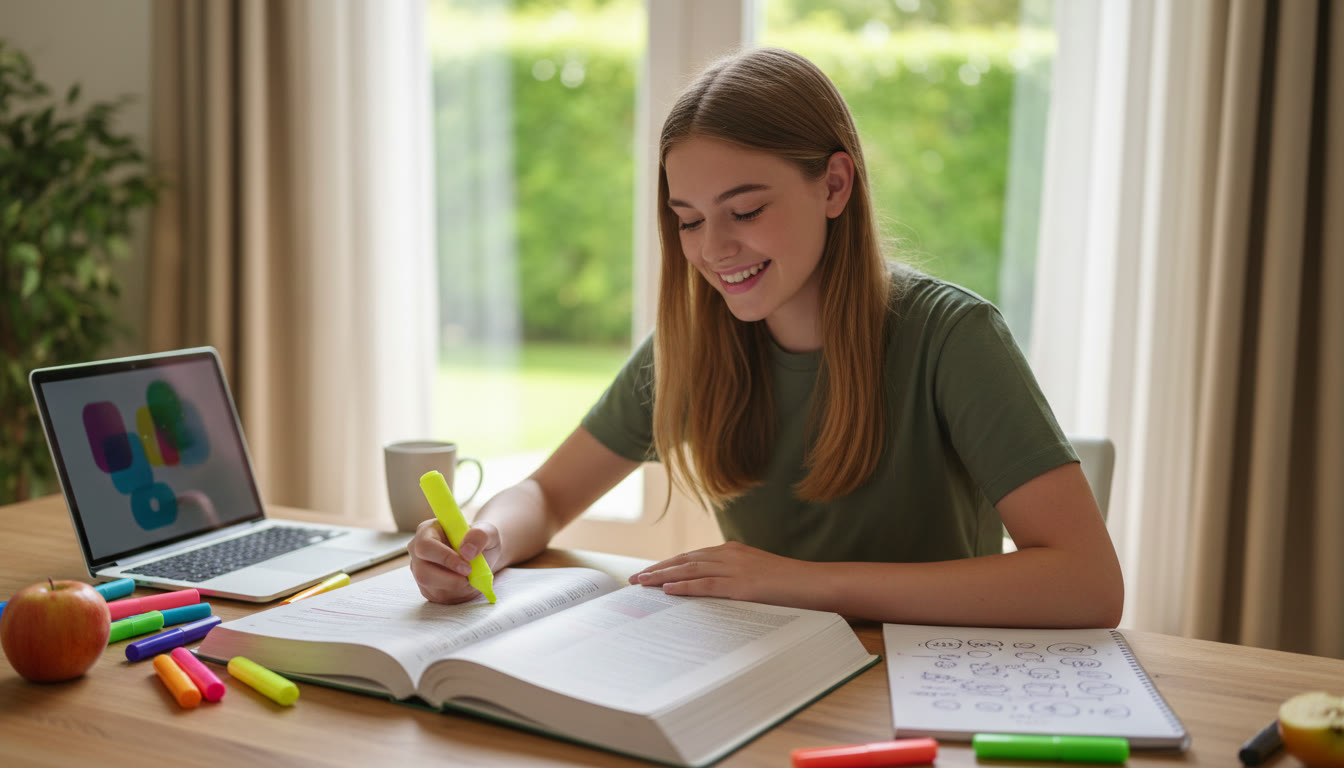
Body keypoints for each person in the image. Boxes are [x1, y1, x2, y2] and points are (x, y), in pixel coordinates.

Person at [408, 47, 1124, 628]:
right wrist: (487, 539)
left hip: (916, 690)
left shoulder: (953, 337)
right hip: (763, 678)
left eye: (744, 209)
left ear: (835, 186)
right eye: (688, 219)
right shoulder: (695, 344)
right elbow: (547, 493)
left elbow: (1087, 583)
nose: (714, 249)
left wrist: (802, 583)